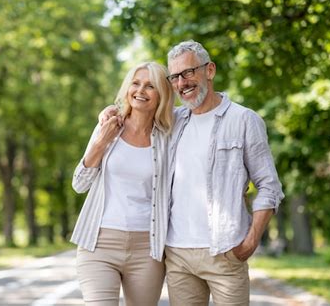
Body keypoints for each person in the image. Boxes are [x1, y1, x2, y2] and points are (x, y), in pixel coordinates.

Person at [100, 40, 284, 305]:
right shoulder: (171, 122)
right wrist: (108, 113)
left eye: (188, 72)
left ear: (209, 70)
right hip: (177, 255)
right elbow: (135, 111)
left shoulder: (244, 120)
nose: (181, 83)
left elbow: (269, 186)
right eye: (174, 77)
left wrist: (251, 240)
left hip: (225, 251)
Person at [71, 61, 175, 306]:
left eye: (150, 86)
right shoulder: (109, 126)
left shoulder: (169, 135)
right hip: (99, 243)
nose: (140, 90)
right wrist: (100, 143)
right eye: (136, 83)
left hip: (147, 249)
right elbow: (79, 184)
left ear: (161, 94)